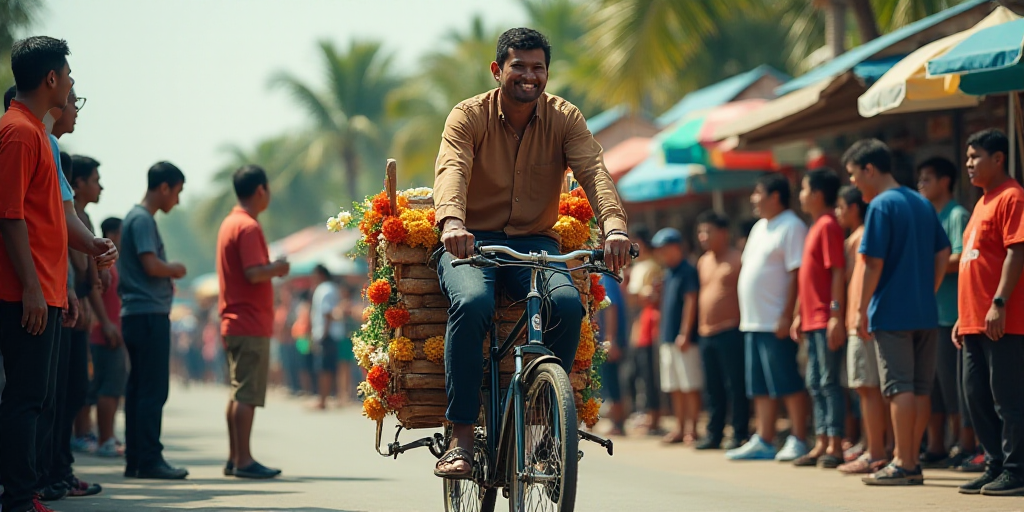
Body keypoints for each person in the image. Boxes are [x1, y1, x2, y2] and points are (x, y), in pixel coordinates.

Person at [432, 27, 630, 478]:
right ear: (497, 69)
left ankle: (541, 424)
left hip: (535, 242)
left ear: (547, 73)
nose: (529, 76)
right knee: (472, 302)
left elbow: (594, 172)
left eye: (538, 68)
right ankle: (460, 434)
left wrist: (614, 227)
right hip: (471, 239)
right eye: (518, 66)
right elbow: (452, 169)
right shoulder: (468, 116)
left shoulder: (565, 118)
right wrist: (453, 223)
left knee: (565, 305)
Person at [0, 37, 116, 512]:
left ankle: (26, 493)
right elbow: (9, 216)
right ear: (51, 78)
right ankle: (19, 499)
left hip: (46, 288)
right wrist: (30, 285)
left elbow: (54, 216)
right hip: (23, 291)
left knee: (38, 398)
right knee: (26, 400)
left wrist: (91, 244)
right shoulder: (18, 133)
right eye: (67, 76)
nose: (70, 85)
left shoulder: (39, 136)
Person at [844, 139, 950, 486]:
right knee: (919, 388)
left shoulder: (880, 206)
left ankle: (903, 462)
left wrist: (860, 310)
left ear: (869, 169)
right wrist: (927, 290)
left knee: (899, 386)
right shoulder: (921, 203)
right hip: (924, 312)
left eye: (854, 175)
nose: (854, 184)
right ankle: (912, 459)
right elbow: (942, 252)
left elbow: (872, 263)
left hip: (891, 312)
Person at [953, 129, 1024, 496]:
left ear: (998, 158)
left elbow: (1017, 252)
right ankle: (994, 464)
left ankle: (1017, 470)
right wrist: (962, 318)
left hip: (1003, 321)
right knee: (976, 397)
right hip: (972, 322)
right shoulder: (981, 202)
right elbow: (973, 262)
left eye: (975, 157)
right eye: (966, 158)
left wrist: (998, 303)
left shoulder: (1012, 196)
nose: (968, 164)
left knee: (1008, 400)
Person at [728, 173, 810, 462]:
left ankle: (799, 438)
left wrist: (788, 315)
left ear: (775, 196)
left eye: (758, 192)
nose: (753, 198)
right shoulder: (760, 227)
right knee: (759, 386)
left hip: (776, 321)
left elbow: (797, 274)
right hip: (753, 321)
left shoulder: (792, 226)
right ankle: (764, 439)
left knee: (786, 381)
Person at [216, 164, 290, 479]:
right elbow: (253, 272)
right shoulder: (247, 227)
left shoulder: (230, 223)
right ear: (260, 190)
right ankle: (243, 460)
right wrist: (276, 267)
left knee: (238, 392)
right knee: (246, 393)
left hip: (235, 321)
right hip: (248, 322)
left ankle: (236, 458)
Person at [120, 161, 190, 480]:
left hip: (136, 314)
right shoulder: (142, 220)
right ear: (163, 187)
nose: (177, 199)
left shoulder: (135, 219)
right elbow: (150, 265)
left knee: (138, 388)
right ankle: (149, 458)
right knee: (152, 390)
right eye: (177, 191)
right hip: (148, 314)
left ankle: (137, 458)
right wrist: (173, 267)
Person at [916, 156, 976, 469]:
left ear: (945, 182)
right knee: (933, 388)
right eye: (920, 179)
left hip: (952, 315)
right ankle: (937, 445)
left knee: (956, 388)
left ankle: (965, 445)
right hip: (930, 314)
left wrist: (927, 263)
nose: (921, 184)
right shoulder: (928, 214)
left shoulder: (957, 214)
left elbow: (961, 257)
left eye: (927, 178)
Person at [834, 186, 891, 475]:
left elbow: (857, 278)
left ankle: (876, 451)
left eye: (841, 206)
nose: (837, 212)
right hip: (863, 318)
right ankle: (876, 445)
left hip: (862, 320)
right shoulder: (860, 235)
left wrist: (854, 314)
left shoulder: (859, 236)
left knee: (867, 388)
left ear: (854, 208)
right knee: (871, 388)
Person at [792, 168, 847, 468]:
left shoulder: (828, 225)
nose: (800, 195)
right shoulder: (815, 225)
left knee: (828, 382)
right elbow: (807, 278)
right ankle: (822, 441)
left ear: (816, 194)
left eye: (803, 188)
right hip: (811, 319)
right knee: (815, 382)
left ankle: (835, 444)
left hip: (826, 317)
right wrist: (799, 313)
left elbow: (837, 270)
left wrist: (836, 314)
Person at [694, 211, 748, 450]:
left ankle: (739, 432)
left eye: (709, 231)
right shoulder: (703, 261)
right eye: (701, 232)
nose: (703, 236)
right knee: (712, 387)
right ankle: (714, 433)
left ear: (723, 233)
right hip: (706, 333)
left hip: (730, 330)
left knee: (734, 385)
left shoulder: (737, 259)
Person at [650, 228, 702, 445]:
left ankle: (692, 428)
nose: (662, 254)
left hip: (683, 337)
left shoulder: (687, 270)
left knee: (689, 384)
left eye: (665, 249)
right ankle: (679, 427)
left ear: (676, 247)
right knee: (674, 385)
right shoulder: (668, 272)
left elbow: (691, 301)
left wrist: (685, 332)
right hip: (668, 336)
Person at [90, 217, 127, 458]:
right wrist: (106, 323)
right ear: (113, 234)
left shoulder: (111, 262)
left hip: (110, 331)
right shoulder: (102, 260)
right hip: (105, 334)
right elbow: (94, 291)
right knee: (109, 389)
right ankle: (105, 439)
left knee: (113, 388)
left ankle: (109, 436)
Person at [625, 228, 662, 434]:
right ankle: (646, 414)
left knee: (649, 373)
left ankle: (654, 417)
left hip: (648, 323)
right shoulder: (637, 267)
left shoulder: (652, 267)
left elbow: (651, 296)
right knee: (639, 372)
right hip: (639, 322)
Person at [596, 273, 628, 435]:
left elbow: (610, 307)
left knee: (612, 379)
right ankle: (617, 422)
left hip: (611, 340)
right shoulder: (607, 277)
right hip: (610, 339)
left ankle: (618, 423)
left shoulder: (605, 278)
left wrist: (610, 340)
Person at [310, 265, 341, 410]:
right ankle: (325, 398)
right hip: (328, 334)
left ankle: (323, 400)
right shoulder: (331, 288)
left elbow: (327, 313)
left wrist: (323, 334)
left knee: (324, 369)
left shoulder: (324, 289)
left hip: (326, 334)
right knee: (327, 367)